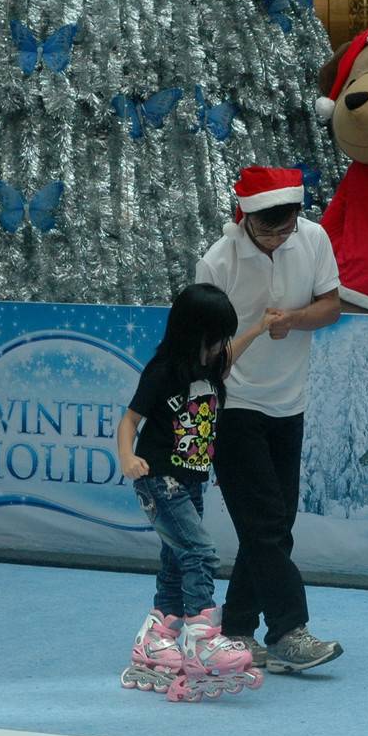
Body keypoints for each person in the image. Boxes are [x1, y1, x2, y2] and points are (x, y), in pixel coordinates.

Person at [196, 166, 345, 674]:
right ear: (244, 218)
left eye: (287, 228)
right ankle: (288, 631)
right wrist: (257, 332)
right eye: (268, 230)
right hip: (233, 406)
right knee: (263, 524)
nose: (280, 238)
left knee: (275, 525)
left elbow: (331, 305)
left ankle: (235, 628)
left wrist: (295, 320)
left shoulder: (314, 238)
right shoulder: (217, 263)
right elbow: (206, 353)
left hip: (290, 403)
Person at [116, 283, 270, 701]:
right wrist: (127, 458)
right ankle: (202, 639)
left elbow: (230, 355)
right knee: (200, 553)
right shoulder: (164, 371)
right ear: (192, 334)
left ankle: (157, 637)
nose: (221, 346)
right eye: (215, 337)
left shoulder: (209, 366)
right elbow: (130, 420)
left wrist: (257, 330)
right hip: (158, 478)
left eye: (224, 338)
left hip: (189, 481)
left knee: (176, 560)